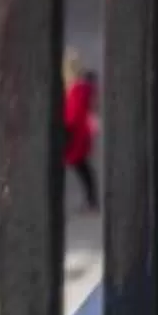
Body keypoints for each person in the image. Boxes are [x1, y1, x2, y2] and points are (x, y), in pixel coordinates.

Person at [63, 53, 99, 212]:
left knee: (80, 166)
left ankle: (91, 200)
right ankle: (91, 199)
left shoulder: (76, 89)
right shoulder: (81, 88)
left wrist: (65, 127)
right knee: (82, 167)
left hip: (75, 134)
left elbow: (73, 113)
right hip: (80, 133)